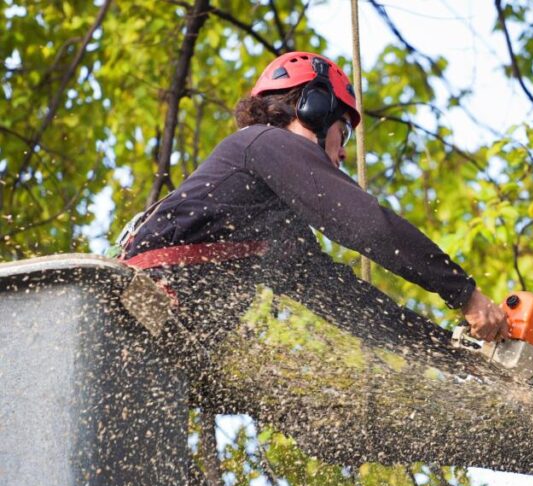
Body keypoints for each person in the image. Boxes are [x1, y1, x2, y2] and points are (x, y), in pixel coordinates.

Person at [118, 51, 509, 352]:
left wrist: (454, 352)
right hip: (133, 313)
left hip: (156, 341)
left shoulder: (273, 227)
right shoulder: (262, 143)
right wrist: (465, 293)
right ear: (315, 109)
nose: (342, 154)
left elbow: (350, 305)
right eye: (345, 131)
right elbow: (367, 225)